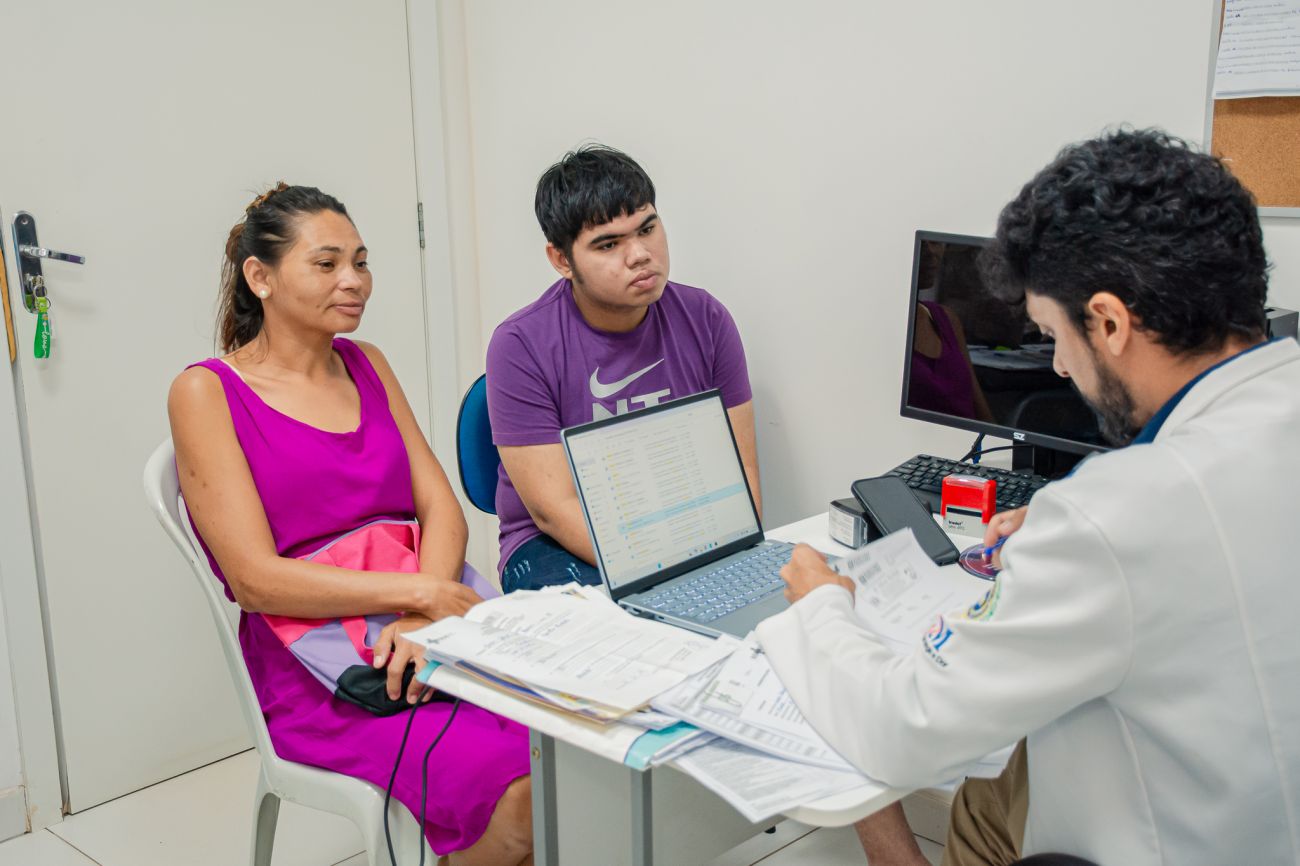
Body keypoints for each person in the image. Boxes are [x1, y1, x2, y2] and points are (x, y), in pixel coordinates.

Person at [758, 129, 1300, 866]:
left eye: (1054, 335)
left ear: (1109, 323)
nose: (1061, 366)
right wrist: (1062, 535)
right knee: (994, 794)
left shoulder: (1116, 516)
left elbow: (904, 727)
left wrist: (823, 605)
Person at [169, 184, 533, 865]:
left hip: (424, 624)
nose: (355, 281)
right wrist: (421, 595)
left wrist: (424, 615)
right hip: (316, 668)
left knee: (575, 749)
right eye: (327, 263)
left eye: (361, 262)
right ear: (260, 278)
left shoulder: (367, 364)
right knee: (522, 794)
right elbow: (254, 580)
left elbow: (441, 509)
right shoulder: (205, 391)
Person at [486, 144, 760, 592]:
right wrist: (667, 571)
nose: (639, 254)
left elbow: (741, 478)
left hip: (684, 525)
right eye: (608, 244)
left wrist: (724, 554)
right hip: (556, 542)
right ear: (562, 260)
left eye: (647, 228)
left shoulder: (707, 319)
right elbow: (552, 511)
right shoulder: (519, 344)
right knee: (620, 627)